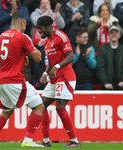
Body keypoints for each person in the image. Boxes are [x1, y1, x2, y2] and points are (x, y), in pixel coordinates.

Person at [0, 14, 45, 148]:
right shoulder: (23, 37)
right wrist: (30, 51)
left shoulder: (2, 35)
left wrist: (21, 55)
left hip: (1, 81)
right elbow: (39, 58)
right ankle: (28, 140)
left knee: (6, 111)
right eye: (25, 25)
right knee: (39, 107)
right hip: (15, 80)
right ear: (22, 24)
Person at [37, 16, 80, 147]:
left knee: (60, 108)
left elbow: (70, 56)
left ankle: (74, 140)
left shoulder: (61, 36)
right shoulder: (46, 42)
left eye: (41, 29)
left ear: (49, 26)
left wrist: (57, 67)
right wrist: (45, 73)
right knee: (41, 106)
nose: (39, 31)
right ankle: (45, 140)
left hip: (65, 77)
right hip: (54, 78)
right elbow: (51, 62)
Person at [30, 0, 65, 88]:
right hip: (37, 46)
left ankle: (54, 82)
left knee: (51, 63)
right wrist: (48, 12)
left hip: (52, 45)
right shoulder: (35, 13)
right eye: (43, 3)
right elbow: (37, 21)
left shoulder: (54, 13)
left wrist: (56, 13)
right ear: (39, 5)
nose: (45, 5)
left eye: (47, 3)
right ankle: (36, 83)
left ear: (50, 5)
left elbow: (62, 25)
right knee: (36, 66)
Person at [97, 26, 123, 90]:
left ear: (119, 35)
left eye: (116, 33)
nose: (114, 34)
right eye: (111, 33)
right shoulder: (102, 49)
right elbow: (100, 67)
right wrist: (105, 82)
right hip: (106, 85)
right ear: (108, 35)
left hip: (121, 85)